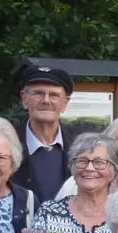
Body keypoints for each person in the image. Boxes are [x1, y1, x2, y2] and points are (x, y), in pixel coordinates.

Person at [11, 65, 82, 204]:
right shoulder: (7, 142)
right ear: (24, 99)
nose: (46, 100)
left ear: (65, 103)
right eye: (38, 93)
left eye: (54, 95)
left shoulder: (79, 145)